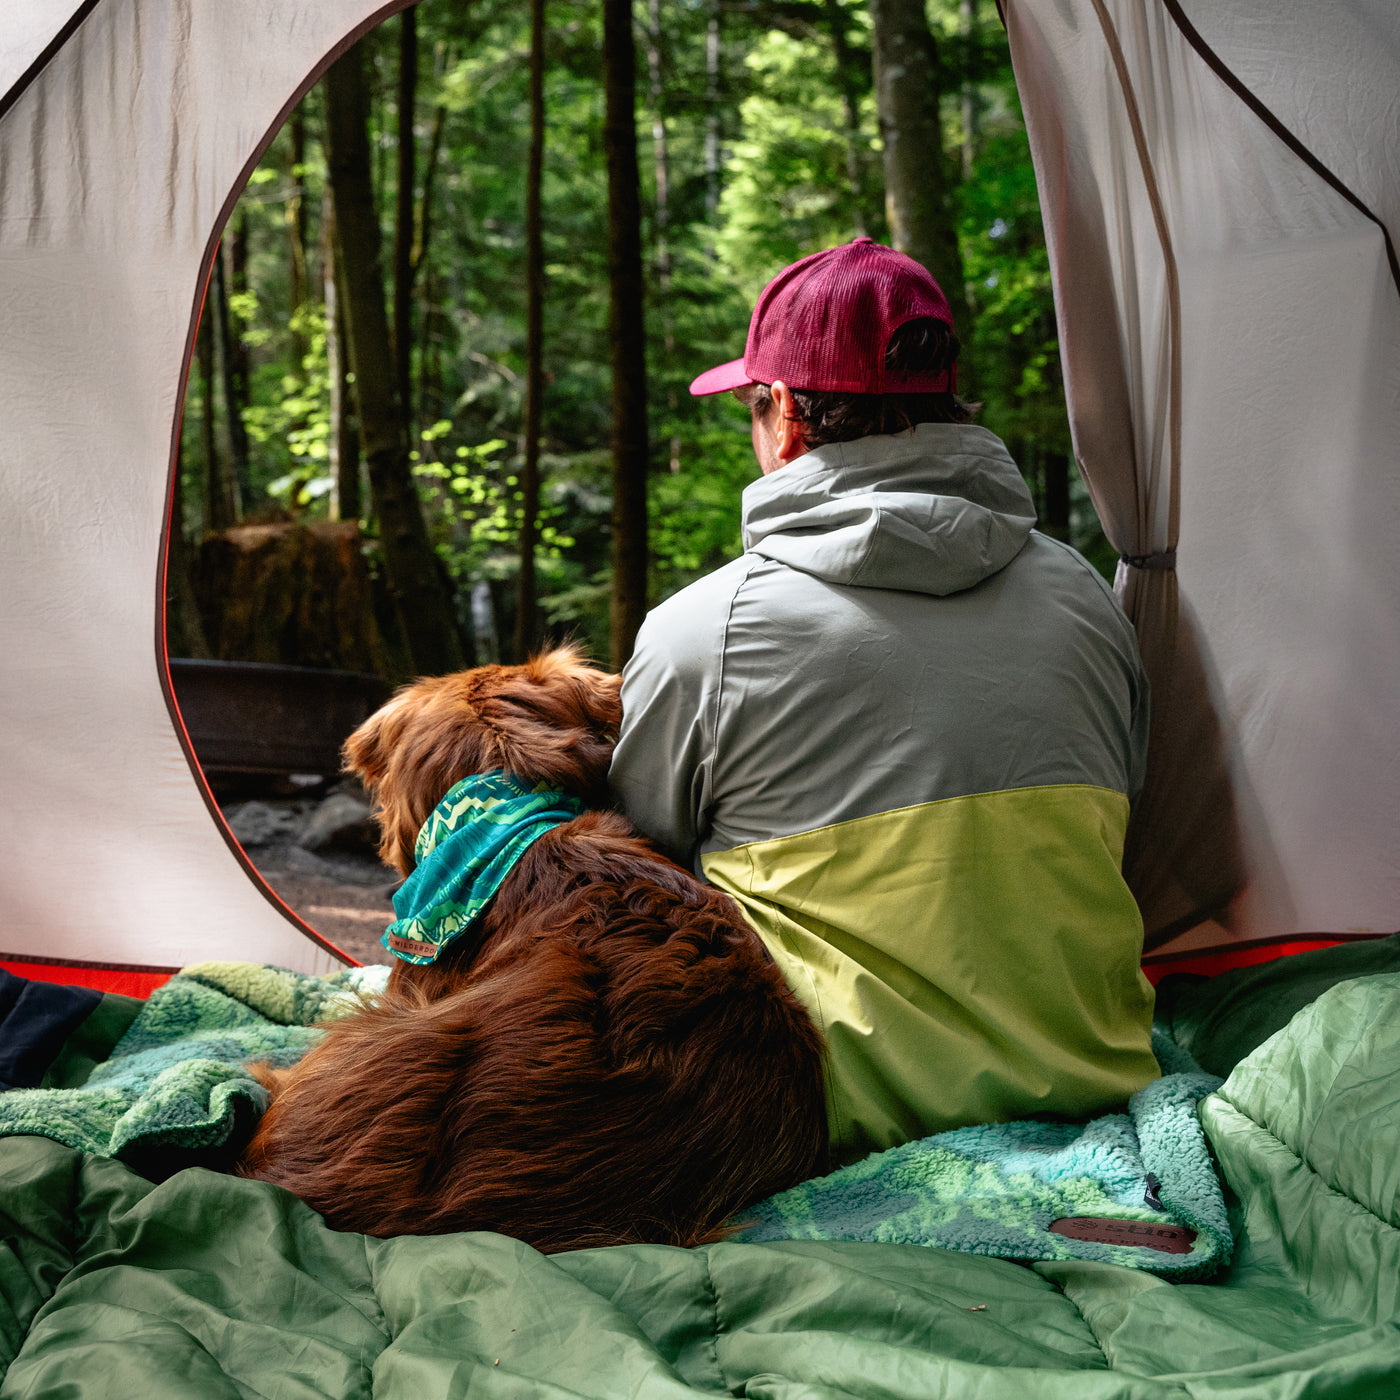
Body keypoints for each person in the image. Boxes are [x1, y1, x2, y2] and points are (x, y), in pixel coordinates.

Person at [609, 237, 1158, 1165]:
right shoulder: (1088, 603)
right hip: (1097, 1096)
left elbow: (635, 876)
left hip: (827, 1127)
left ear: (782, 413)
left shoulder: (703, 633)